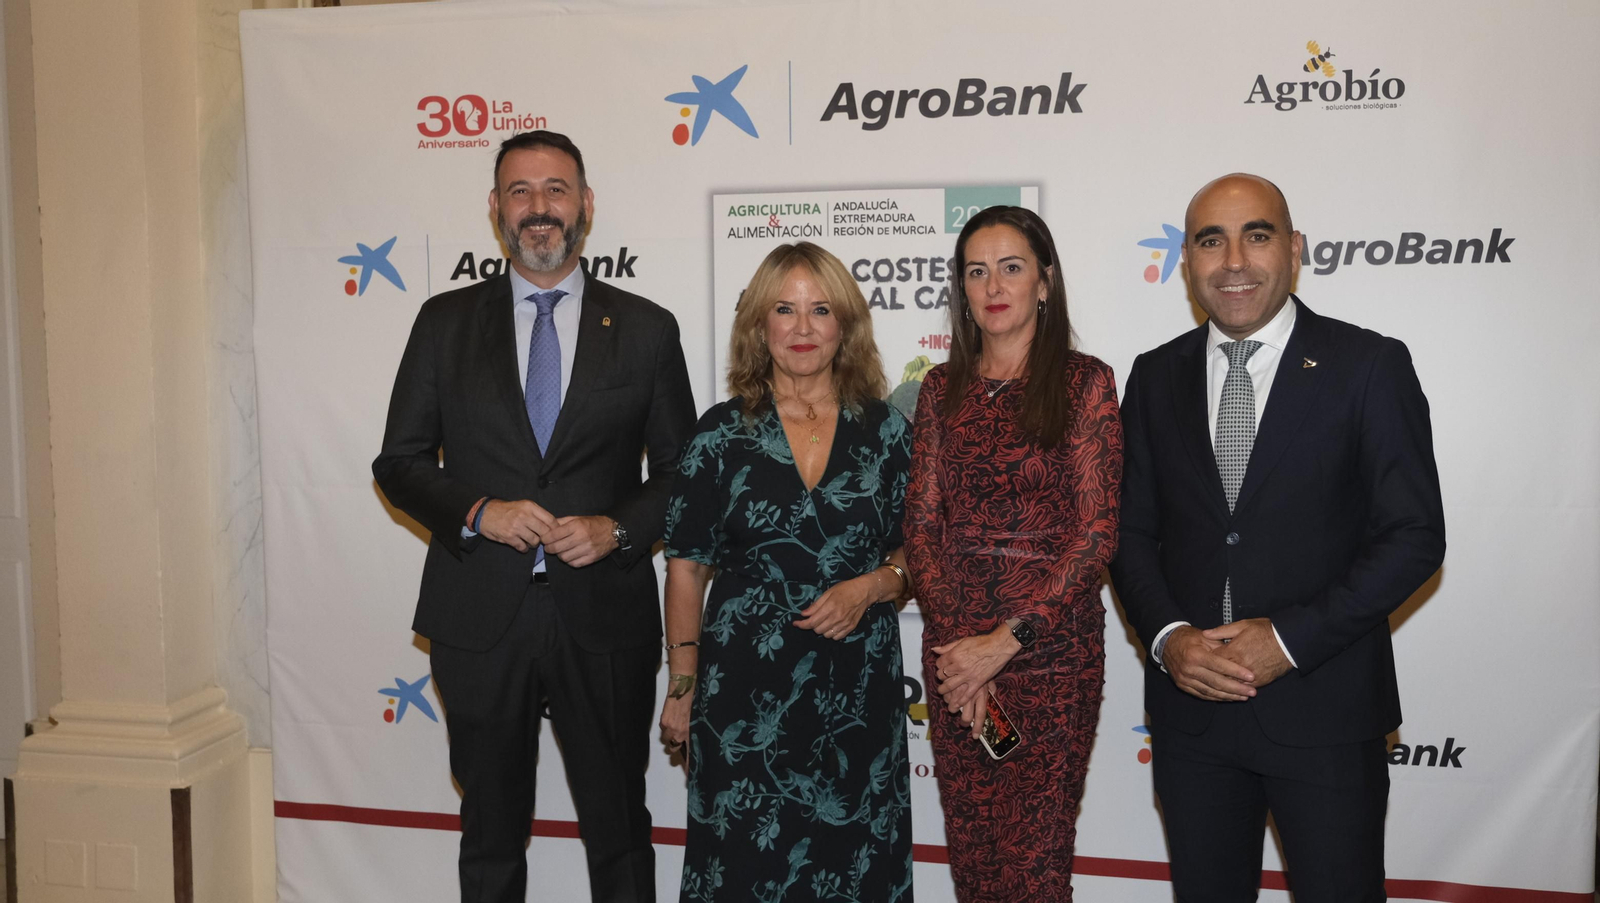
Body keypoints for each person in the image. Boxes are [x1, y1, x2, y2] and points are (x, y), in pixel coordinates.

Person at [372, 130, 696, 903]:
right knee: (490, 831)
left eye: (556, 189)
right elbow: (399, 462)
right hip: (479, 617)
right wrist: (478, 510)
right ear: (496, 207)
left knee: (619, 830)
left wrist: (617, 528)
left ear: (586, 204)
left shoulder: (647, 328)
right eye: (521, 191)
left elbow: (686, 474)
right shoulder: (443, 322)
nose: (539, 207)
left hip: (605, 617)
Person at [1108, 173, 1446, 901]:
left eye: (1256, 236)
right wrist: (1168, 638)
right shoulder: (1154, 375)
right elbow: (1129, 531)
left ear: (1294, 250)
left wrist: (1288, 641)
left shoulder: (1368, 365)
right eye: (1211, 241)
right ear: (1187, 261)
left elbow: (1414, 535)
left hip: (1325, 711)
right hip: (1193, 718)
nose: (1233, 261)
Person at [657, 242, 914, 903]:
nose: (802, 328)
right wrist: (682, 684)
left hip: (857, 688)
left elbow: (918, 554)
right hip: (744, 694)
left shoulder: (887, 431)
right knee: (745, 864)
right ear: (758, 324)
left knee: (854, 862)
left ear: (845, 325)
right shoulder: (718, 435)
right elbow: (685, 568)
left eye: (821, 309)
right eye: (784, 309)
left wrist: (872, 586)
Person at [903, 205, 1123, 901]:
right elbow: (921, 528)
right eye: (976, 271)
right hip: (956, 663)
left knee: (1034, 870)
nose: (993, 285)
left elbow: (1096, 534)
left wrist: (1003, 644)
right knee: (976, 866)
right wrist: (962, 653)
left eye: (1011, 267)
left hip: (1050, 660)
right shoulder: (940, 389)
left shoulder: (1086, 382)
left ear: (1045, 282)